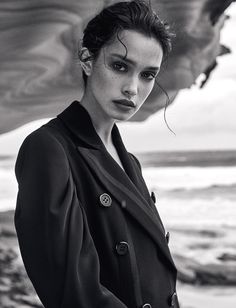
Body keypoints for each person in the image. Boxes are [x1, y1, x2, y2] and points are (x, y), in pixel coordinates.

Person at [14, 1, 179, 307]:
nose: (132, 88)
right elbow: (71, 289)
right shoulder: (49, 149)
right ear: (87, 60)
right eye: (120, 66)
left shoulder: (130, 162)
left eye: (147, 75)